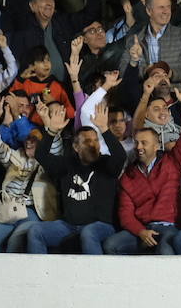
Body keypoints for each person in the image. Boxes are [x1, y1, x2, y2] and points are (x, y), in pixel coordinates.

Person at [106, 81, 181, 254]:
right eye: (137, 142)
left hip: (169, 226)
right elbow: (125, 213)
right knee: (112, 245)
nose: (139, 146)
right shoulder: (128, 176)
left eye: (144, 143)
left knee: (164, 250)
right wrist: (140, 231)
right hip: (142, 229)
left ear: (157, 146)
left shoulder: (172, 162)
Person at [26, 102, 125, 254]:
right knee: (35, 231)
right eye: (87, 141)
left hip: (101, 226)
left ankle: (95, 277)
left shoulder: (106, 164)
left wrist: (104, 129)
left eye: (95, 140)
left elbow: (120, 156)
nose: (93, 145)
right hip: (69, 226)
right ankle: (41, 276)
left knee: (89, 233)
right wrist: (51, 131)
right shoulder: (67, 164)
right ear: (76, 147)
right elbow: (41, 155)